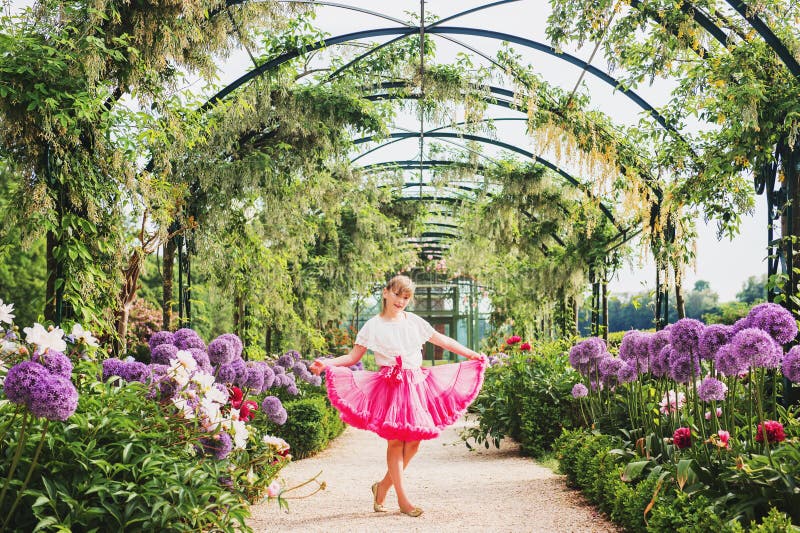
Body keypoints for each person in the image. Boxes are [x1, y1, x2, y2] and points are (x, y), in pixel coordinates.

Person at [309, 274, 487, 518]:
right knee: (395, 441)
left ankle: (382, 487)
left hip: (416, 384)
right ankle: (404, 501)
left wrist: (469, 353)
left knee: (414, 442)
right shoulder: (373, 325)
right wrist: (327, 363)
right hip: (390, 386)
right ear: (386, 293)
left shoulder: (413, 322)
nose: (401, 301)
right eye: (397, 295)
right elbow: (353, 357)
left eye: (406, 298)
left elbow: (441, 340)